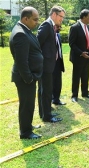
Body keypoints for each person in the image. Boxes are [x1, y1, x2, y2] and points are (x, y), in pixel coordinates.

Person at [9, 6, 43, 139]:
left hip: (29, 76)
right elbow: (21, 61)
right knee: (26, 104)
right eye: (35, 19)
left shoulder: (25, 30)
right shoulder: (20, 34)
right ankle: (25, 132)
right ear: (25, 18)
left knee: (29, 103)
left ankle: (27, 125)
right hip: (25, 78)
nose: (37, 22)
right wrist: (29, 78)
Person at [37, 5, 65, 123]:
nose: (61, 19)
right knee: (46, 90)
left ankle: (44, 112)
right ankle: (47, 116)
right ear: (54, 14)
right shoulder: (46, 25)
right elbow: (37, 43)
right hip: (45, 65)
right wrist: (42, 59)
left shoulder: (51, 26)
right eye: (61, 17)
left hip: (49, 64)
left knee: (45, 90)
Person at [69, 9, 89, 102]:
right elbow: (72, 43)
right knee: (76, 76)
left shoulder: (88, 27)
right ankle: (74, 95)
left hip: (87, 56)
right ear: (84, 17)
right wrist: (81, 53)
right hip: (78, 57)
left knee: (85, 76)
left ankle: (85, 93)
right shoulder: (74, 27)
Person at [52, 25, 65, 105]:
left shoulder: (58, 35)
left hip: (58, 61)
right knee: (50, 82)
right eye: (58, 27)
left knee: (58, 81)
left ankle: (56, 99)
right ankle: (50, 99)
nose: (60, 28)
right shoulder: (49, 36)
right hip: (51, 62)